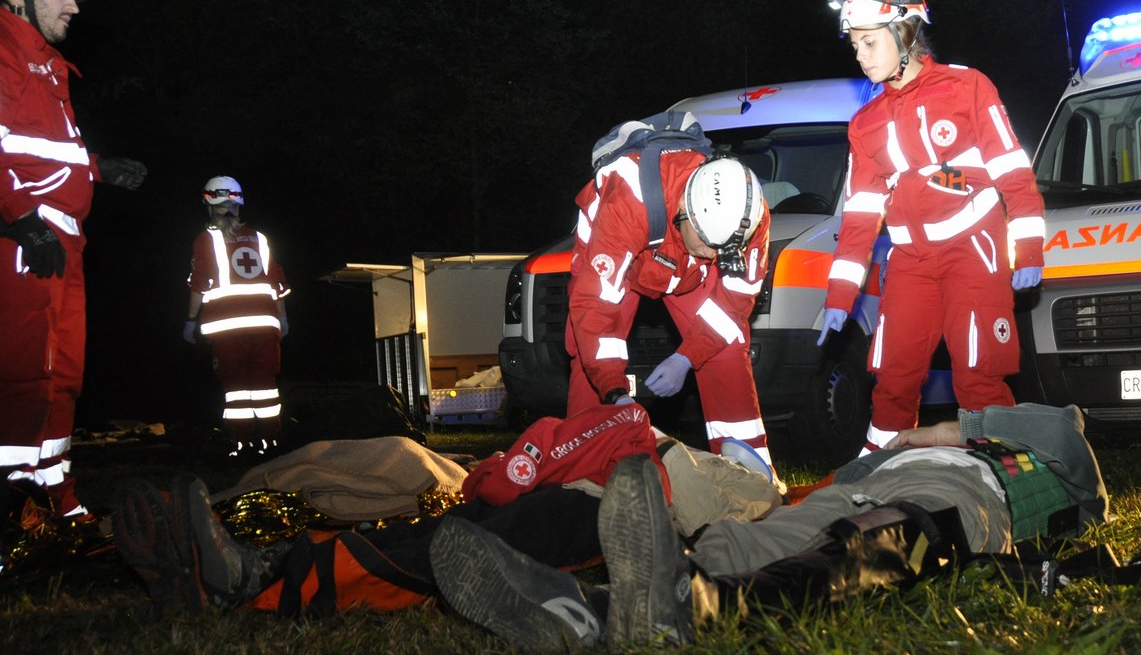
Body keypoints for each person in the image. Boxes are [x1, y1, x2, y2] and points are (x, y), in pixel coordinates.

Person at [429, 402, 1110, 654]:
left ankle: (690, 607)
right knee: (743, 537)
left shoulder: (1027, 457)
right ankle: (615, 604)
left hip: (950, 497)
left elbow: (1066, 435)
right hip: (860, 484)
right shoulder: (883, 456)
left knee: (875, 545)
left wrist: (946, 431)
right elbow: (846, 474)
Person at [110, 401, 781, 621]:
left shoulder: (725, 479)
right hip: (590, 510)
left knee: (434, 552)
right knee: (431, 540)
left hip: (595, 518)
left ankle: (248, 581)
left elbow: (719, 507)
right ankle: (249, 567)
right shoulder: (670, 452)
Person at [815, 0, 1046, 454]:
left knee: (979, 376)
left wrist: (1027, 251)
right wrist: (839, 294)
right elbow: (860, 215)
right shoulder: (866, 123)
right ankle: (883, 478)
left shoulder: (968, 87)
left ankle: (1001, 484)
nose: (860, 54)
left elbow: (1014, 175)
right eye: (855, 44)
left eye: (869, 42)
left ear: (905, 33)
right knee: (893, 379)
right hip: (910, 261)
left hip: (974, 248)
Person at [0, 0, 145, 523]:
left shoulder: (47, 62)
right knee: (22, 371)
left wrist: (96, 168)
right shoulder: (4, 48)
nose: (74, 5)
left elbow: (38, 145)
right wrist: (17, 218)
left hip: (64, 238)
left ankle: (55, 496)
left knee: (62, 374)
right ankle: (10, 507)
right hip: (23, 236)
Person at [565, 148, 777, 474]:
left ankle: (748, 471)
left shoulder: (749, 216)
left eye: (721, 250)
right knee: (590, 353)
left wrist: (686, 357)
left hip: (681, 263)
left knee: (728, 347)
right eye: (707, 242)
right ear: (684, 209)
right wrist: (615, 392)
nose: (712, 255)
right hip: (622, 250)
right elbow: (595, 308)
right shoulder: (628, 200)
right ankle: (582, 472)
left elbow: (734, 302)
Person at [183, 176, 290, 457]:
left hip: (226, 326)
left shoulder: (206, 239)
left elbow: (199, 283)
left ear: (208, 204)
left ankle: (241, 443)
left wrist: (190, 320)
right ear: (239, 203)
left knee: (236, 388)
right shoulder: (261, 238)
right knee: (266, 385)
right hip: (266, 324)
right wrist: (282, 318)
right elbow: (277, 283)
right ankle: (270, 442)